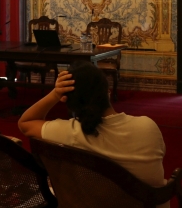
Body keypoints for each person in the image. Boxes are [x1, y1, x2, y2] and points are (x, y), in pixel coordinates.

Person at [18, 61, 169, 208]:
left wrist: (55, 94)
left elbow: (26, 123)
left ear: (69, 102)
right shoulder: (148, 127)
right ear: (107, 91)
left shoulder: (71, 133)